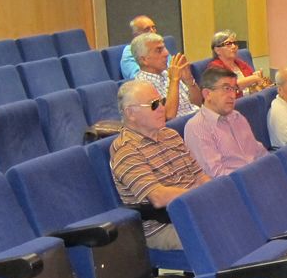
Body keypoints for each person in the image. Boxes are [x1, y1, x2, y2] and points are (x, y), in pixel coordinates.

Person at [110, 79, 209, 250]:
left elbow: (199, 175)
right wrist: (201, 197)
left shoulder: (170, 135)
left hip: (196, 209)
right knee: (222, 231)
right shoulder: (125, 150)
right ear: (130, 113)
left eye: (161, 101)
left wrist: (214, 195)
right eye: (154, 105)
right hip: (164, 225)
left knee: (242, 213)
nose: (162, 108)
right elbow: (158, 197)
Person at [183, 66, 267, 177]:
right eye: (226, 89)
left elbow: (259, 152)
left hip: (259, 175)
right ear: (207, 94)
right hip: (236, 184)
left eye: (234, 89)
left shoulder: (237, 117)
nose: (233, 95)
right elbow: (215, 175)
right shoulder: (197, 127)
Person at [130, 31, 201, 118]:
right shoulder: (142, 86)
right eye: (159, 50)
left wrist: (189, 80)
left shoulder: (168, 72)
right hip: (182, 124)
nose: (166, 53)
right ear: (144, 60)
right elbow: (169, 116)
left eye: (164, 48)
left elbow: (198, 104)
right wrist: (174, 81)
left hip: (198, 116)